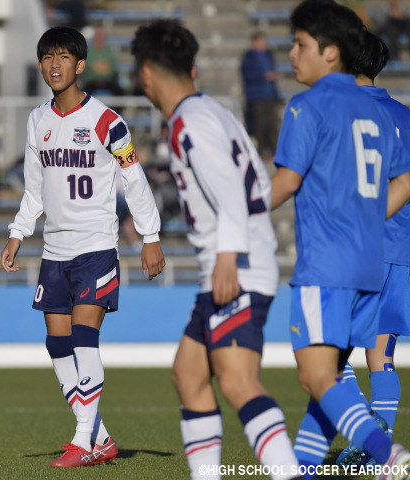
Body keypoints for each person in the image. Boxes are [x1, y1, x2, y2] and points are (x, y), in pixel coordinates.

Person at [131, 20, 303, 480]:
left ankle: (289, 473)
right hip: (235, 262)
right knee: (189, 376)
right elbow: (258, 185)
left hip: (236, 268)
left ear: (145, 74)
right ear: (192, 66)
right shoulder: (215, 111)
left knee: (238, 381)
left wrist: (229, 255)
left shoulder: (190, 122)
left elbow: (230, 190)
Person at [0, 26, 165, 468]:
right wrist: (19, 233)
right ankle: (102, 438)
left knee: (83, 338)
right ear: (40, 65)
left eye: (64, 56)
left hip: (95, 247)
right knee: (57, 345)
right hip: (54, 250)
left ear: (80, 64)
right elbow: (35, 189)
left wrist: (150, 236)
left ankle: (81, 442)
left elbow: (133, 176)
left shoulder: (108, 121)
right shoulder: (38, 120)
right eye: (47, 56)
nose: (55, 64)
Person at [270, 1, 410, 478]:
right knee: (332, 375)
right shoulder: (379, 111)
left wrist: (239, 214)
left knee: (317, 375)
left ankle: (382, 450)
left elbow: (286, 182)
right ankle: (304, 470)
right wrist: (367, 220)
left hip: (327, 264)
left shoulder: (308, 105)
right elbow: (405, 182)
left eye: (300, 44)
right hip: (372, 261)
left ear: (332, 53)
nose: (291, 54)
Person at [336, 31, 410, 468]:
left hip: (361, 246)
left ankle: (370, 439)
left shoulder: (345, 113)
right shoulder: (404, 114)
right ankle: (377, 449)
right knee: (380, 356)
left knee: (326, 352)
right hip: (402, 248)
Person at [240, 31, 281, 162]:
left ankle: (274, 152)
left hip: (270, 95)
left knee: (273, 124)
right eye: (262, 41)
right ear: (255, 42)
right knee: (259, 126)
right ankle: (261, 153)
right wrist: (264, 76)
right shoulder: (248, 57)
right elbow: (247, 75)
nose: (264, 44)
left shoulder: (269, 54)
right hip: (256, 97)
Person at [83, 26, 123, 96]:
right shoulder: (88, 53)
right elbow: (85, 68)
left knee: (120, 92)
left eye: (101, 37)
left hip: (108, 82)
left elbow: (113, 69)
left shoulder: (110, 52)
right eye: (97, 37)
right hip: (92, 83)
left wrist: (96, 66)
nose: (99, 39)